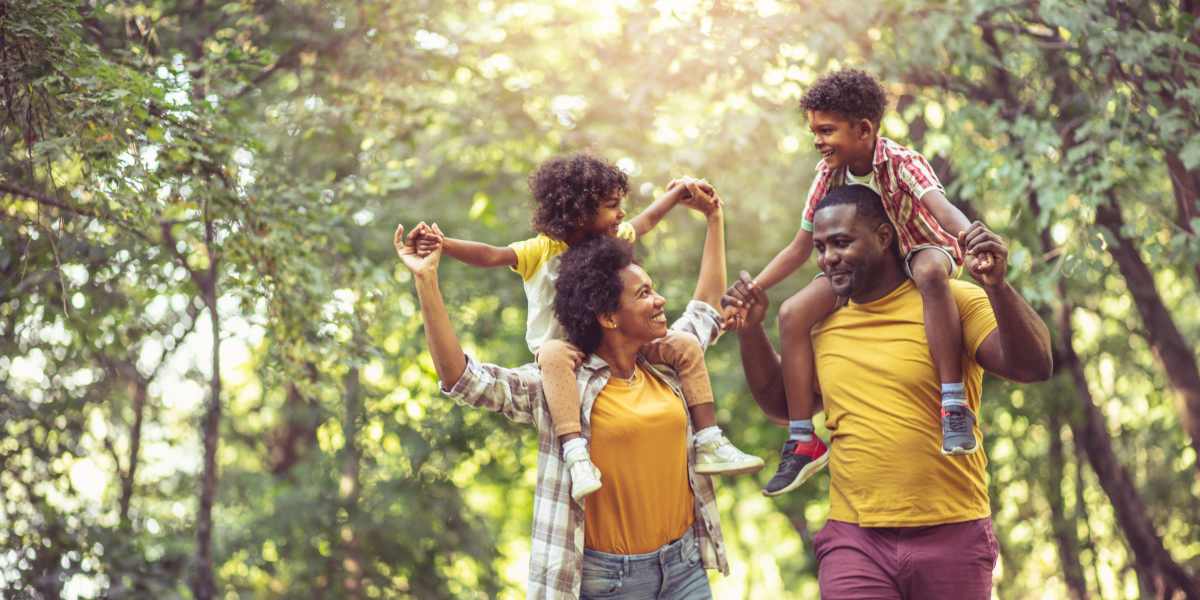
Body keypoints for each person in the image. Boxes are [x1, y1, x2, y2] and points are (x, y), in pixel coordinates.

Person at [726, 184, 1052, 598]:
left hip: (952, 533)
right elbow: (784, 407)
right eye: (822, 247)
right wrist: (752, 330)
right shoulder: (820, 324)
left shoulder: (951, 302)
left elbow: (1033, 365)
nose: (828, 258)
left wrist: (998, 286)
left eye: (842, 243)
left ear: (883, 237)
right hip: (856, 540)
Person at [395, 207, 739, 598]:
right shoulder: (561, 386)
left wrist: (714, 218)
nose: (660, 301)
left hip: (684, 568)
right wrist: (426, 279)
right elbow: (463, 378)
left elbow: (706, 309)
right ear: (609, 317)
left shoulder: (669, 365)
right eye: (644, 293)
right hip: (610, 582)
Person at [415, 153, 760, 503]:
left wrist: (690, 200)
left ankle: (710, 439)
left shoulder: (659, 359)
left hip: (681, 555)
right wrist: (439, 253)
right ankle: (576, 453)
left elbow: (651, 225)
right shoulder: (542, 251)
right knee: (553, 354)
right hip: (560, 356)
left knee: (685, 343)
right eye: (612, 206)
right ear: (579, 212)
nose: (659, 302)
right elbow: (490, 256)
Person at [727, 69, 993, 496]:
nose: (818, 140)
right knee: (794, 313)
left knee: (927, 273)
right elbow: (799, 247)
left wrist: (972, 240)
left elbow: (940, 208)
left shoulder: (902, 162)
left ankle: (952, 403)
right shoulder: (828, 173)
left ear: (864, 129)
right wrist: (751, 290)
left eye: (827, 130)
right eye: (814, 130)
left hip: (922, 248)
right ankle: (802, 439)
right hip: (863, 263)